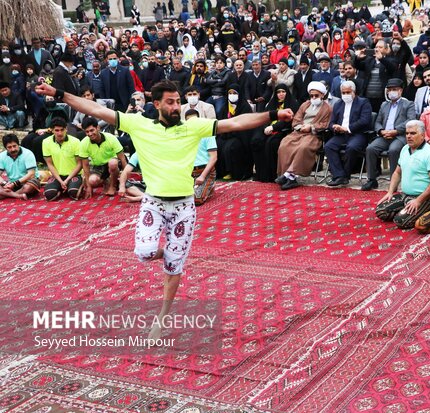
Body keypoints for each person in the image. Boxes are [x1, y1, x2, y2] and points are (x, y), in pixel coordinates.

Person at [35, 79, 294, 341]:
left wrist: (273, 114)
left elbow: (236, 123)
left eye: (178, 101)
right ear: (156, 104)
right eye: (170, 102)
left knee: (172, 267)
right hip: (154, 203)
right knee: (145, 253)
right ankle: (172, 254)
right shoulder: (139, 124)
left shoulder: (193, 127)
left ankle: (162, 317)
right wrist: (59, 94)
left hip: (183, 205)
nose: (176, 106)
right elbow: (96, 110)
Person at [375, 120, 430, 228]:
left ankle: (423, 211)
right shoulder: (405, 149)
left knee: (400, 221)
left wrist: (418, 201)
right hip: (405, 195)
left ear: (422, 135)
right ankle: (407, 210)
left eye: (413, 133)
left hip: (423, 198)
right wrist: (390, 192)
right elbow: (397, 172)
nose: (409, 136)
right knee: (381, 211)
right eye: (407, 133)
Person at [276, 81, 332, 190]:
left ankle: (289, 176)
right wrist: (300, 127)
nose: (314, 97)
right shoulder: (305, 104)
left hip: (314, 135)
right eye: (312, 95)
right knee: (284, 145)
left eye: (316, 95)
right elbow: (296, 119)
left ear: (322, 95)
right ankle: (287, 175)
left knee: (303, 147)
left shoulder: (328, 108)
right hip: (298, 132)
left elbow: (325, 124)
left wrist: (311, 127)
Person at [363, 78, 416, 191]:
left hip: (399, 136)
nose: (392, 92)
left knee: (394, 150)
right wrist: (381, 131)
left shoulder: (408, 104)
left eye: (394, 89)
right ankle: (371, 180)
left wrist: (395, 130)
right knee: (370, 148)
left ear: (400, 91)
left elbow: (410, 120)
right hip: (384, 135)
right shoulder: (384, 105)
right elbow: (377, 121)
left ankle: (394, 181)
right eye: (390, 90)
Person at [325, 80, 372, 187]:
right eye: (343, 93)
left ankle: (345, 176)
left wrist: (347, 128)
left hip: (357, 133)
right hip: (341, 134)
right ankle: (339, 175)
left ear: (354, 92)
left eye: (348, 92)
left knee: (352, 147)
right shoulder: (338, 104)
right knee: (328, 146)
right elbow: (331, 122)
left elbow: (364, 120)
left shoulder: (363, 102)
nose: (345, 95)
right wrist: (334, 127)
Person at [251, 83, 299, 183]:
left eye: (283, 92)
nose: (281, 94)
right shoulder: (272, 103)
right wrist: (265, 128)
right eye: (278, 92)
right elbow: (265, 117)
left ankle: (272, 175)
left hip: (283, 131)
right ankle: (261, 174)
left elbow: (288, 121)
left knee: (271, 143)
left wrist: (273, 127)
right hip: (268, 129)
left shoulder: (293, 104)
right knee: (256, 140)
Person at [79, 116, 127, 198]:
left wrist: (127, 180)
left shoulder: (110, 138)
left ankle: (113, 186)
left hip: (113, 163)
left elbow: (122, 159)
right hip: (98, 166)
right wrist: (89, 187)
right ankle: (106, 180)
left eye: (92, 130)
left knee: (112, 163)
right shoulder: (84, 143)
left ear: (98, 128)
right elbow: (85, 165)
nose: (90, 134)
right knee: (92, 181)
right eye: (87, 132)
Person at [215, 83, 254, 180]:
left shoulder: (245, 107)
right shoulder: (225, 107)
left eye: (234, 93)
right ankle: (220, 171)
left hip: (239, 136)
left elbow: (245, 125)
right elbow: (221, 122)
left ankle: (233, 172)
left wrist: (231, 132)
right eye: (230, 93)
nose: (232, 95)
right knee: (217, 144)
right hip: (226, 134)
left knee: (230, 147)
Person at [41, 117, 83, 201]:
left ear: (66, 129)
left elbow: (79, 164)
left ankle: (69, 188)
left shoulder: (75, 141)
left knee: (74, 193)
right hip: (57, 176)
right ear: (52, 130)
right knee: (49, 195)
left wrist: (67, 180)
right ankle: (62, 189)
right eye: (56, 130)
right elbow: (49, 164)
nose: (60, 133)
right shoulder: (46, 142)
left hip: (74, 175)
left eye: (62, 130)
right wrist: (60, 181)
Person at [184, 109, 218, 205]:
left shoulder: (208, 134)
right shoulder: (184, 134)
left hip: (204, 171)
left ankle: (209, 185)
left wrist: (202, 176)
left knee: (196, 200)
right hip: (188, 172)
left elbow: (214, 158)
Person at [0, 134, 40, 200]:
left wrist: (14, 184)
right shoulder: (2, 156)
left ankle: (7, 194)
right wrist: (4, 184)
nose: (13, 149)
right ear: (5, 148)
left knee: (28, 187)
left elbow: (31, 174)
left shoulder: (28, 153)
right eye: (9, 147)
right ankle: (18, 196)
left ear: (18, 144)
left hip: (28, 181)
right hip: (11, 183)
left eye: (14, 146)